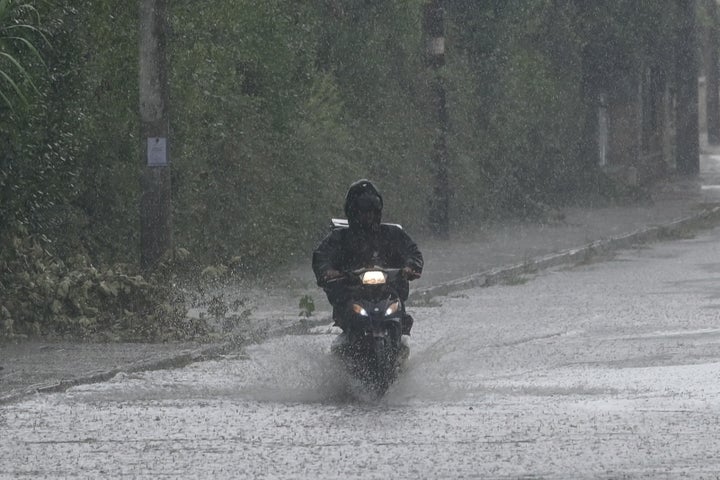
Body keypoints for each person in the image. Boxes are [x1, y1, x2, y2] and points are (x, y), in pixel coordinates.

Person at [312, 179, 423, 335]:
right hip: (352, 292)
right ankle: (349, 336)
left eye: (372, 210)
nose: (368, 215)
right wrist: (327, 271)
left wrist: (410, 267)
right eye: (363, 211)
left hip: (387, 291)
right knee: (344, 309)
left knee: (400, 311)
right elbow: (322, 256)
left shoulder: (392, 235)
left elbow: (412, 251)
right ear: (352, 211)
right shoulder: (340, 238)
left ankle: (399, 332)